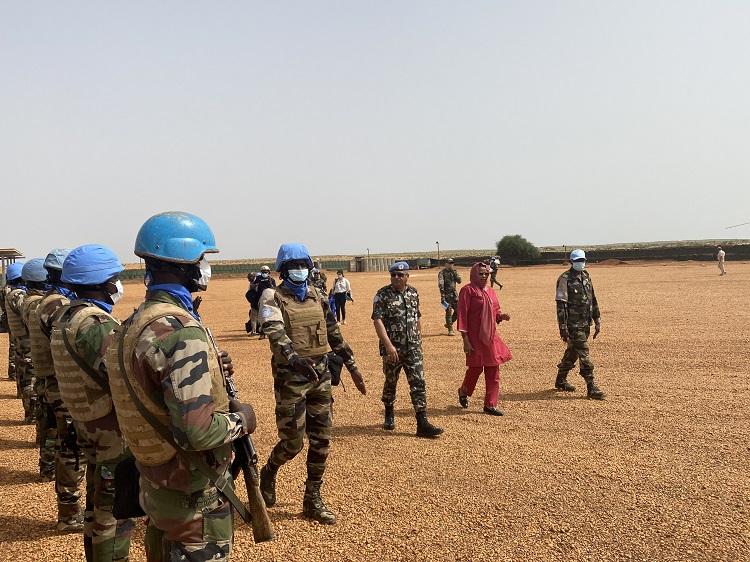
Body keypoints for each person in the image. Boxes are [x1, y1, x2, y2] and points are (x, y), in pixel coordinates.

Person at [106, 211, 256, 561]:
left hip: (156, 485)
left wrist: (211, 367)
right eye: (202, 259)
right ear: (185, 261)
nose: (206, 267)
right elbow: (197, 432)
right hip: (192, 497)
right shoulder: (180, 330)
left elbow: (149, 385)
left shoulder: (132, 324)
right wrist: (243, 420)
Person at [258, 243, 365, 525]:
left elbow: (333, 333)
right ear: (283, 270)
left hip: (320, 377)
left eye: (302, 265)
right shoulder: (272, 296)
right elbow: (274, 331)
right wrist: (293, 358)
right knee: (292, 443)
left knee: (322, 439)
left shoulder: (318, 295)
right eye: (293, 265)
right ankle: (269, 470)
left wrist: (352, 366)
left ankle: (312, 499)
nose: (299, 269)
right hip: (291, 380)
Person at [51, 244, 136, 560]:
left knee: (97, 504)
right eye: (114, 279)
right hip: (110, 431)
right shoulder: (96, 324)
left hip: (88, 424)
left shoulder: (66, 316)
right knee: (113, 512)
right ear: (103, 282)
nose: (118, 285)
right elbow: (126, 376)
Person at [28, 249, 89, 531]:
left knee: (56, 433)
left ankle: (48, 471)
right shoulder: (58, 305)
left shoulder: (48, 301)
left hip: (50, 379)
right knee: (72, 447)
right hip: (61, 384)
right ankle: (69, 513)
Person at [372, 261, 443, 438]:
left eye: (400, 275)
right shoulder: (382, 294)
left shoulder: (413, 293)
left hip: (413, 348)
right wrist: (388, 346)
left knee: (418, 383)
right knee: (391, 382)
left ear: (407, 276)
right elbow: (378, 321)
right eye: (393, 275)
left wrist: (419, 339)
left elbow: (417, 317)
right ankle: (389, 411)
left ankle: (422, 422)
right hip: (393, 350)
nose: (396, 277)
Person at [457, 262, 512, 416]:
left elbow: (495, 311)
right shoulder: (467, 291)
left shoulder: (491, 291)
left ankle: (490, 404)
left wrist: (501, 316)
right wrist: (465, 339)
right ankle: (464, 391)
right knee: (475, 369)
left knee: (493, 368)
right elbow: (462, 315)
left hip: (490, 337)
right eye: (480, 273)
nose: (483, 276)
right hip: (474, 337)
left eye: (486, 274)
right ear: (474, 274)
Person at [555, 249, 605, 399]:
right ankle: (591, 386)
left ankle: (560, 380)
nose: (580, 263)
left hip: (585, 323)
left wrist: (597, 319)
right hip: (573, 325)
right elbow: (561, 305)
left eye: (582, 260)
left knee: (573, 353)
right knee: (584, 352)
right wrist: (563, 327)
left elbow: (592, 299)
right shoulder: (564, 279)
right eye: (577, 261)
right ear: (571, 262)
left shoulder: (586, 276)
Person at [1, 262, 24, 383]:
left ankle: (13, 371)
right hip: (18, 321)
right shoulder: (17, 293)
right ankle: (15, 371)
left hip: (9, 319)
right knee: (18, 345)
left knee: (13, 344)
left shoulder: (4, 290)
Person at [246, 266, 275, 339]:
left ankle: (263, 332)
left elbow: (274, 290)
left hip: (266, 301)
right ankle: (261, 332)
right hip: (260, 301)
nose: (265, 273)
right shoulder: (259, 279)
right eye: (263, 272)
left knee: (265, 317)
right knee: (263, 317)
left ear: (269, 272)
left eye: (266, 272)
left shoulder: (270, 280)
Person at [437, 258, 462, 335]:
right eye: (449, 263)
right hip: (446, 295)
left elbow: (459, 281)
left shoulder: (454, 272)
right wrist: (442, 296)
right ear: (446, 264)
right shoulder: (442, 273)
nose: (451, 265)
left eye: (452, 263)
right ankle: (450, 330)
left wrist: (454, 273)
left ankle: (449, 324)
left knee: (458, 310)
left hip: (454, 295)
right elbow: (441, 284)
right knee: (448, 311)